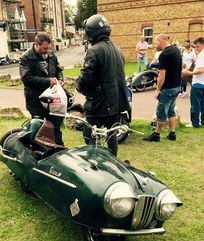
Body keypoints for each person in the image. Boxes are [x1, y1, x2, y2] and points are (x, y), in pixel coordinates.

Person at [76, 14, 130, 157]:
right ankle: (113, 161)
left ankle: (96, 161)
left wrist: (79, 87)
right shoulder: (117, 50)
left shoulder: (94, 50)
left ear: (91, 32)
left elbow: (86, 77)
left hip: (99, 103)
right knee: (111, 135)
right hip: (116, 102)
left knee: (89, 134)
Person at [19, 32, 64, 145]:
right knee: (38, 127)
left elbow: (58, 69)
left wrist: (60, 78)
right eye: (44, 48)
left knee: (55, 127)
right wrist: (49, 81)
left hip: (53, 99)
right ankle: (37, 151)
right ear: (37, 44)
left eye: (48, 47)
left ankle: (58, 148)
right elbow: (27, 79)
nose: (47, 50)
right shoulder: (25, 58)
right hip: (36, 100)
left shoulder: (51, 55)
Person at [143, 34, 182, 142]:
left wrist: (158, 90)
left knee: (161, 112)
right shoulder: (175, 50)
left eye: (155, 43)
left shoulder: (164, 54)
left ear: (161, 41)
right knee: (171, 111)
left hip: (168, 88)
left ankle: (156, 134)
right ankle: (172, 133)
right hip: (176, 86)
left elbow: (161, 75)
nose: (154, 46)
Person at [182, 37, 204, 128]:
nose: (196, 49)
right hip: (202, 83)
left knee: (195, 104)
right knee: (202, 104)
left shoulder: (202, 54)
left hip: (198, 83)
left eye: (197, 46)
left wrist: (189, 73)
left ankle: (195, 123)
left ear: (202, 44)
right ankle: (203, 121)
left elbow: (202, 69)